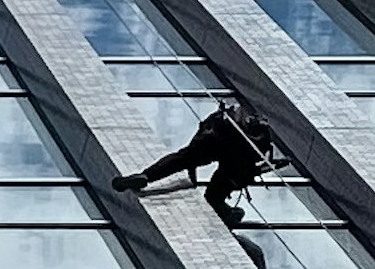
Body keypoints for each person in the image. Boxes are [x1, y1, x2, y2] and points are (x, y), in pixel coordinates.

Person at [116, 96, 281, 234]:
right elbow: (251, 165)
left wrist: (192, 166)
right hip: (237, 158)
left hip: (213, 141)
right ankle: (225, 212)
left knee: (182, 158)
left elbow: (199, 137)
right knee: (214, 195)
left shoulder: (226, 116)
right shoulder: (258, 133)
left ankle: (146, 176)